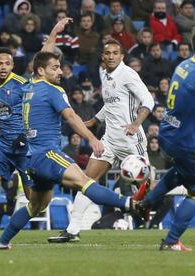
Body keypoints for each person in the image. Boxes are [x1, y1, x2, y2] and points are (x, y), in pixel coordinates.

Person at [0, 18, 73, 246]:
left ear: (12, 65)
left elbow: (43, 55)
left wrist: (55, 31)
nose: (3, 67)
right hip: (3, 146)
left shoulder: (23, 83)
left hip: (26, 147)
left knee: (34, 198)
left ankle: (27, 231)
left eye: (7, 63)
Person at [47, 38, 154, 243]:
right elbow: (111, 104)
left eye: (115, 53)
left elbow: (148, 100)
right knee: (87, 180)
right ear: (103, 56)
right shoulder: (104, 73)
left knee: (147, 187)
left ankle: (187, 190)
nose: (111, 56)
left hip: (132, 140)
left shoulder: (128, 74)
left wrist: (135, 123)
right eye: (108, 53)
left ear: (121, 56)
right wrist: (94, 120)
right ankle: (72, 230)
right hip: (110, 140)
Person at [136, 24, 195, 251]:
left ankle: (145, 204)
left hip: (167, 133)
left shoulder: (182, 65)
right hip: (184, 141)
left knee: (179, 174)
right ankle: (171, 240)